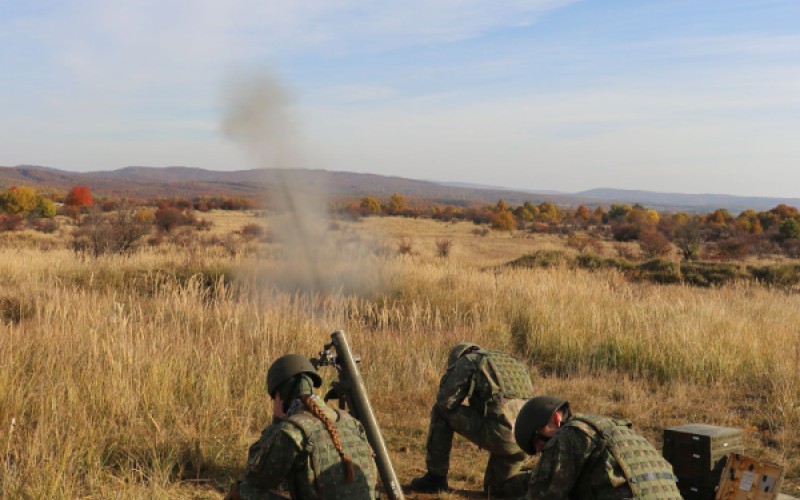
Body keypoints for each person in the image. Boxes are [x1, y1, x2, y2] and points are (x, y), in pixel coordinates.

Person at [227, 354, 377, 500]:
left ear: (278, 395)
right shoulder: (350, 421)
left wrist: (276, 424)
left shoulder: (292, 431)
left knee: (242, 490)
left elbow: (255, 476)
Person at [410, 342, 534, 497]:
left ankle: (435, 478)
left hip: (500, 436)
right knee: (495, 490)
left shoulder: (467, 361)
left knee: (440, 412)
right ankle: (542, 481)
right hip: (526, 440)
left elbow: (445, 402)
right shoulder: (511, 361)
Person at [513, 396, 682, 499]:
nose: (540, 451)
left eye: (537, 441)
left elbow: (542, 495)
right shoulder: (616, 431)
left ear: (556, 419)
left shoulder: (568, 435)